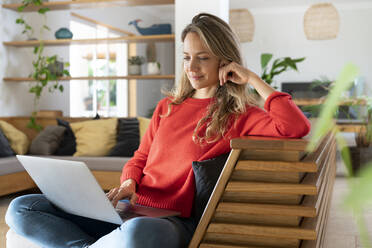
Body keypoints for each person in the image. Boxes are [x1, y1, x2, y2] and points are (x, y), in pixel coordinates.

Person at [5, 13, 310, 248]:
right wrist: (127, 184)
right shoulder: (167, 107)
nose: (192, 67)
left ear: (226, 61)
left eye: (203, 58)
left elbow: (295, 127)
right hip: (130, 208)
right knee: (21, 207)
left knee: (139, 233)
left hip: (171, 221)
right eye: (187, 57)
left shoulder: (240, 116)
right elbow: (140, 158)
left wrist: (253, 80)